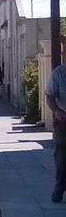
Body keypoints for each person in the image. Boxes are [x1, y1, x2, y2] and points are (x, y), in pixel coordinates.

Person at [45, 62, 66, 202]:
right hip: (63, 119)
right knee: (62, 155)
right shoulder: (60, 73)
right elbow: (50, 95)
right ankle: (59, 187)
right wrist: (56, 110)